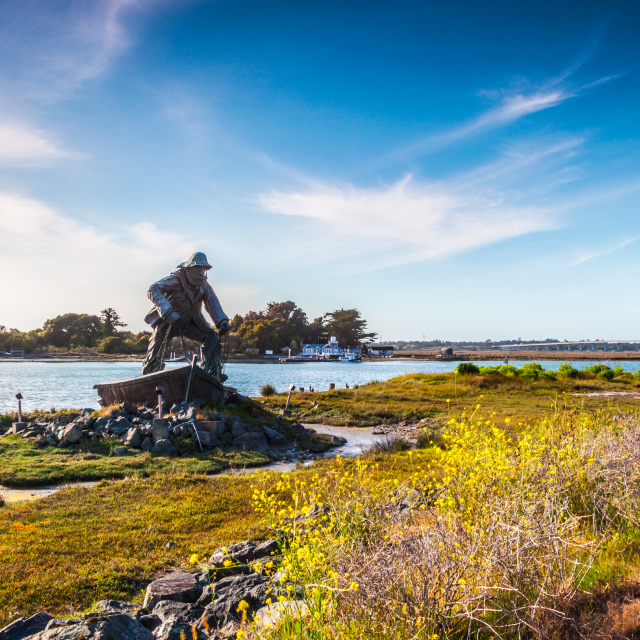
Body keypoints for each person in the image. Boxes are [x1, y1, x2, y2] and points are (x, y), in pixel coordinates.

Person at [141, 252, 230, 379]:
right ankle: (148, 377)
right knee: (156, 349)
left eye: (202, 270)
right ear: (188, 270)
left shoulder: (204, 285)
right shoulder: (175, 280)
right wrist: (167, 312)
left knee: (212, 338)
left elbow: (213, 304)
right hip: (167, 321)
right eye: (196, 270)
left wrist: (221, 321)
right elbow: (153, 289)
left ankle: (208, 375)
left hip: (190, 322)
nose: (200, 274)